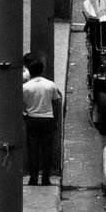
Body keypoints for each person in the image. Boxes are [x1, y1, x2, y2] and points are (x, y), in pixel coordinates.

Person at [22, 57, 61, 187]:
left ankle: (33, 178)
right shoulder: (50, 85)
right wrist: (55, 120)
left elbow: (21, 106)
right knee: (47, 150)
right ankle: (45, 178)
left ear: (30, 71)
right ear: (42, 70)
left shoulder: (25, 87)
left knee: (33, 150)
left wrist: (25, 116)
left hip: (32, 119)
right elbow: (56, 103)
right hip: (47, 119)